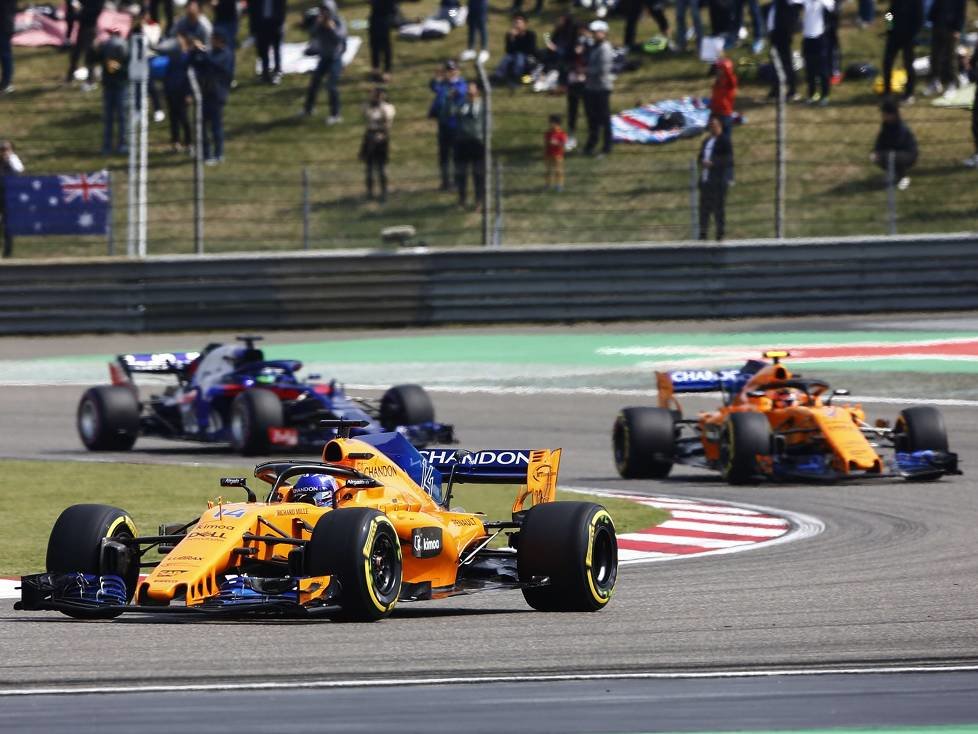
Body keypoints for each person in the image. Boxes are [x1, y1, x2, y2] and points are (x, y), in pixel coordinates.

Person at [191, 31, 233, 164]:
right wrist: (195, 52)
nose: (212, 42)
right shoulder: (211, 52)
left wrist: (202, 52)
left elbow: (215, 63)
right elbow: (198, 63)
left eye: (214, 39)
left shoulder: (226, 54)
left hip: (217, 94)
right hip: (205, 93)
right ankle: (206, 154)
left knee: (216, 126)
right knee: (202, 126)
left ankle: (219, 153)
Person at [303, 0, 347, 124]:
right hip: (324, 58)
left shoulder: (339, 21)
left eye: (326, 10)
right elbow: (312, 33)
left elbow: (340, 38)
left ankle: (336, 114)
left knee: (331, 86)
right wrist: (318, 24)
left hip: (335, 58)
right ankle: (308, 109)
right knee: (314, 83)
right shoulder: (319, 21)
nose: (324, 12)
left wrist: (331, 28)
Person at [429, 59, 467, 190]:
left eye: (452, 70)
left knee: (456, 155)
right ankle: (445, 181)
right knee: (443, 155)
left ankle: (457, 181)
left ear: (457, 71)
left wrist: (448, 88)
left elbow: (459, 93)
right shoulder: (443, 84)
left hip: (456, 124)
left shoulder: (461, 83)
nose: (450, 73)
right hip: (443, 123)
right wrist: (438, 77)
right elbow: (433, 86)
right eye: (448, 70)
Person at [698, 114, 733, 240]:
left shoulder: (724, 141)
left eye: (714, 125)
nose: (712, 128)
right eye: (710, 125)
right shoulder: (706, 141)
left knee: (718, 209)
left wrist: (713, 163)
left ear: (720, 126)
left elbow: (728, 160)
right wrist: (702, 161)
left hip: (718, 181)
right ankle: (703, 234)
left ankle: (720, 234)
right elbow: (700, 156)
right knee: (704, 210)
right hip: (706, 180)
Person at [452, 81, 486, 209]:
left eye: (472, 89)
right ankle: (462, 199)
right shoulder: (462, 105)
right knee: (461, 173)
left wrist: (484, 138)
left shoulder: (483, 106)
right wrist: (451, 99)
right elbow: (450, 113)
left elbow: (487, 123)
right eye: (468, 89)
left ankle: (479, 200)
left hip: (477, 142)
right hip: (462, 142)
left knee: (478, 173)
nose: (469, 92)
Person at [871, 99, 917, 190]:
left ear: (892, 114)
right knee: (878, 157)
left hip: (908, 154)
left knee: (890, 157)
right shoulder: (886, 125)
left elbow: (897, 144)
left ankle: (903, 178)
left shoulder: (900, 127)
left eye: (884, 113)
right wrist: (876, 150)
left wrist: (883, 153)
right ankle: (893, 173)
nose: (883, 115)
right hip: (892, 152)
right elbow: (881, 139)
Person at [583, 19, 614, 157]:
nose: (594, 34)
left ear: (604, 33)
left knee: (604, 117)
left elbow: (602, 69)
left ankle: (607, 147)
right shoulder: (594, 46)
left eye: (597, 32)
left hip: (601, 87)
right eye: (593, 32)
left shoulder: (605, 48)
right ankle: (591, 143)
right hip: (591, 87)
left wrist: (585, 70)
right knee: (592, 118)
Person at [96, 27, 129, 155]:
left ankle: (122, 144)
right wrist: (95, 47)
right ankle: (107, 146)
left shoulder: (125, 49)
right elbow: (93, 58)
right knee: (108, 117)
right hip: (109, 86)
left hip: (121, 86)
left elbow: (128, 70)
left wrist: (119, 68)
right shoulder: (105, 48)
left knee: (122, 117)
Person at [881, 0, 922, 101]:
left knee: (908, 65)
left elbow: (919, 19)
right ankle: (887, 91)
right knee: (887, 62)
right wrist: (889, 28)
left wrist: (912, 35)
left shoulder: (916, 2)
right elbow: (889, 13)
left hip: (909, 37)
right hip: (894, 36)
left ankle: (909, 93)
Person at [361, 87, 395, 201]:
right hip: (370, 135)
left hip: (382, 136)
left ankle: (383, 192)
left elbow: (388, 121)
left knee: (381, 167)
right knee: (368, 166)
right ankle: (369, 192)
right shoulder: (368, 106)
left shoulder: (387, 107)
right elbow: (365, 113)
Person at [925, 0, 965, 96]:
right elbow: (890, 13)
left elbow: (961, 13)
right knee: (935, 56)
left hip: (951, 29)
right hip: (937, 27)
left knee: (950, 57)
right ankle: (935, 81)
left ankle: (952, 83)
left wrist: (958, 29)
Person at [160, 33, 192, 152]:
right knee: (173, 119)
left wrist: (188, 93)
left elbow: (189, 77)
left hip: (182, 92)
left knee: (183, 118)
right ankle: (175, 142)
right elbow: (167, 75)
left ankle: (188, 142)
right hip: (171, 92)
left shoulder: (187, 57)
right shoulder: (172, 58)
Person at [767, 0, 802, 100]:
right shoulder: (776, 4)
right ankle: (776, 89)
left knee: (787, 63)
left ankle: (793, 90)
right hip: (775, 35)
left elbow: (791, 18)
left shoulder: (787, 4)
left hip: (783, 35)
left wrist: (788, 32)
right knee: (775, 63)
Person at [66, 0, 105, 88]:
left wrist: (78, 12)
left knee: (89, 55)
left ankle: (90, 80)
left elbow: (92, 13)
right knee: (76, 54)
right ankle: (70, 77)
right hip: (83, 27)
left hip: (90, 27)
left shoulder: (97, 3)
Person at [801, 0, 833, 104]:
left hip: (820, 37)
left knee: (823, 69)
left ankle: (825, 95)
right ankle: (812, 94)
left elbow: (831, 7)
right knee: (810, 70)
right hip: (807, 37)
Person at [493, 14, 537, 87]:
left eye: (519, 23)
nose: (517, 25)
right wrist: (512, 39)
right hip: (514, 55)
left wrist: (520, 38)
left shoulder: (530, 34)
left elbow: (531, 49)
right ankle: (498, 77)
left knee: (519, 58)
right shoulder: (510, 35)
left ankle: (516, 78)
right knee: (506, 58)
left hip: (528, 56)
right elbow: (508, 50)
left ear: (524, 24)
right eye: (515, 23)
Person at [247, 0, 285, 84]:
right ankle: (265, 74)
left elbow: (282, 7)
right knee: (263, 50)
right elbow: (252, 10)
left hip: (275, 24)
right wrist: (253, 28)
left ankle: (277, 71)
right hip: (261, 25)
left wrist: (280, 22)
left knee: (276, 48)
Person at [1, 139, 24, 258]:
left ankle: (7, 252)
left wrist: (10, 157)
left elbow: (19, 169)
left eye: (5, 149)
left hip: (8, 197)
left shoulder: (13, 160)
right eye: (1, 149)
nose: (3, 152)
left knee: (7, 225)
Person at [211, 0, 240, 87]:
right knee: (217, 49)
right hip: (219, 20)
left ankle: (229, 77)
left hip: (230, 21)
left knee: (229, 50)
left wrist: (218, 3)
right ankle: (219, 77)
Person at [710, 47, 738, 132]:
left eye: (720, 69)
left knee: (725, 138)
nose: (718, 72)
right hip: (715, 112)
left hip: (724, 114)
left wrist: (724, 64)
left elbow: (730, 74)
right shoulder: (717, 83)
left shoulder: (730, 83)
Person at [368, 0, 396, 81]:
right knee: (374, 43)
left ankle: (387, 70)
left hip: (386, 16)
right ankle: (375, 68)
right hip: (375, 16)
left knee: (385, 44)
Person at [544, 114, 567, 191]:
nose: (550, 124)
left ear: (557, 123)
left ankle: (559, 185)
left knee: (558, 170)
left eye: (551, 122)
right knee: (548, 170)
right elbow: (546, 142)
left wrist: (556, 143)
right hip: (548, 154)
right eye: (550, 122)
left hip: (558, 155)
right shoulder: (548, 133)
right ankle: (548, 184)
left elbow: (564, 143)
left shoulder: (561, 133)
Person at [0, 0, 15, 94]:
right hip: (5, 23)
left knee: (5, 54)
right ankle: (6, 83)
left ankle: (6, 83)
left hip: (4, 25)